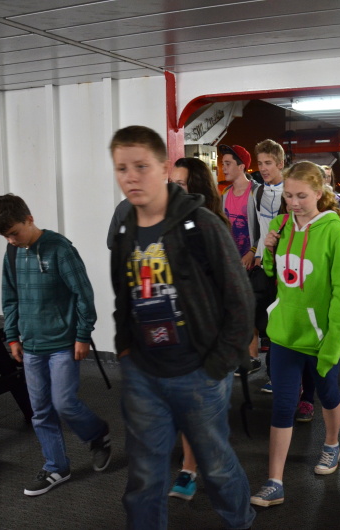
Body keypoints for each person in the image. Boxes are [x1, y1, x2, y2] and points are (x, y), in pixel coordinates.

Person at [110, 126, 255, 530]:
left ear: (163, 169)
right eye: (122, 168)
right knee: (144, 477)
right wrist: (125, 350)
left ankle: (241, 521)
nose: (131, 177)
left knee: (216, 466)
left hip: (198, 372)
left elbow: (240, 300)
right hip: (143, 372)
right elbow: (124, 297)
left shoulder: (201, 224)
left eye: (141, 166)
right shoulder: (124, 227)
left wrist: (217, 365)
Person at [0, 194, 111, 497]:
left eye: (14, 232)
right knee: (40, 410)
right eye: (6, 236)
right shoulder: (12, 252)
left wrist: (82, 335)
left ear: (29, 219)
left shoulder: (60, 249)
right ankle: (56, 466)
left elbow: (84, 294)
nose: (11, 240)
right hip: (31, 345)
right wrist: (12, 336)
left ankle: (98, 434)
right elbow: (10, 297)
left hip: (63, 344)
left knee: (64, 402)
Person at [250, 161, 340, 507]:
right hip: (284, 334)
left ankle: (332, 444)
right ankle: (274, 481)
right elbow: (272, 274)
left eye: (301, 196)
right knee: (283, 405)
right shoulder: (280, 224)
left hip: (320, 337)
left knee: (328, 393)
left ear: (319, 193)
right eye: (288, 196)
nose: (293, 203)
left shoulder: (335, 232)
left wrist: (333, 344)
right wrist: (268, 249)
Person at [166, 156, 229, 502]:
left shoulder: (210, 226)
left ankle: (192, 469)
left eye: (180, 184)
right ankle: (193, 466)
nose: (172, 190)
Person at [220, 143, 262, 375]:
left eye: (228, 163)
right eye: (223, 163)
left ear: (241, 166)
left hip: (251, 261)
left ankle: (252, 356)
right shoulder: (225, 194)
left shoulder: (256, 192)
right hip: (232, 262)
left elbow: (264, 226)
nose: (224, 168)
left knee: (250, 308)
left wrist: (253, 251)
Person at [252, 139, 287, 393]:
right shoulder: (258, 192)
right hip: (265, 266)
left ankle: (280, 377)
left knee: (282, 322)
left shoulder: (291, 191)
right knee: (269, 321)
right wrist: (256, 251)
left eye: (268, 163)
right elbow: (259, 227)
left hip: (288, 267)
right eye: (260, 163)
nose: (263, 168)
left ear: (280, 163)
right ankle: (275, 373)